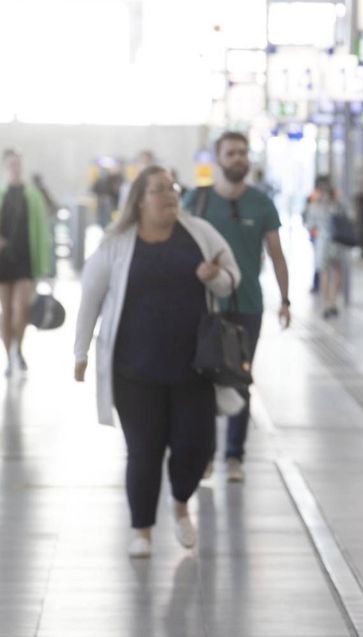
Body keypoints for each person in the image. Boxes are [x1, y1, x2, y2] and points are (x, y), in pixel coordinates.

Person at [73, 166, 241, 558]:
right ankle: (142, 530)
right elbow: (90, 300)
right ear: (139, 200)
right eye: (158, 190)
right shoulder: (116, 244)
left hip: (194, 368)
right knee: (144, 451)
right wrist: (80, 353)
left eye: (172, 189)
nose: (169, 196)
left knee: (194, 447)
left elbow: (233, 277)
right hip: (135, 371)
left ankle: (180, 501)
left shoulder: (198, 233)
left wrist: (213, 278)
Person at [181, 131, 290, 483]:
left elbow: (276, 254)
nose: (239, 158)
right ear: (218, 159)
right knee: (204, 380)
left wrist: (285, 300)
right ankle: (206, 455)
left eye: (243, 152)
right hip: (206, 306)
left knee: (239, 378)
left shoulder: (262, 204)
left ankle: (234, 456)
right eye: (231, 153)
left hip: (247, 306)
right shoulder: (196, 201)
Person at [0, 149, 53, 376]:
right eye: (11, 163)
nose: (15, 167)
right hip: (3, 260)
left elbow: (42, 229)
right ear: (6, 165)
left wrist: (45, 266)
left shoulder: (32, 195)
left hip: (26, 259)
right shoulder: (2, 193)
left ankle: (17, 350)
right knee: (6, 309)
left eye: (18, 163)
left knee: (21, 307)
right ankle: (9, 354)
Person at [305, 175, 352, 318]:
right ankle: (332, 302)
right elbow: (350, 216)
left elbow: (310, 225)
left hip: (323, 242)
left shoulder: (315, 205)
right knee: (337, 272)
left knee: (324, 273)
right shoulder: (338, 203)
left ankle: (326, 304)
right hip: (338, 242)